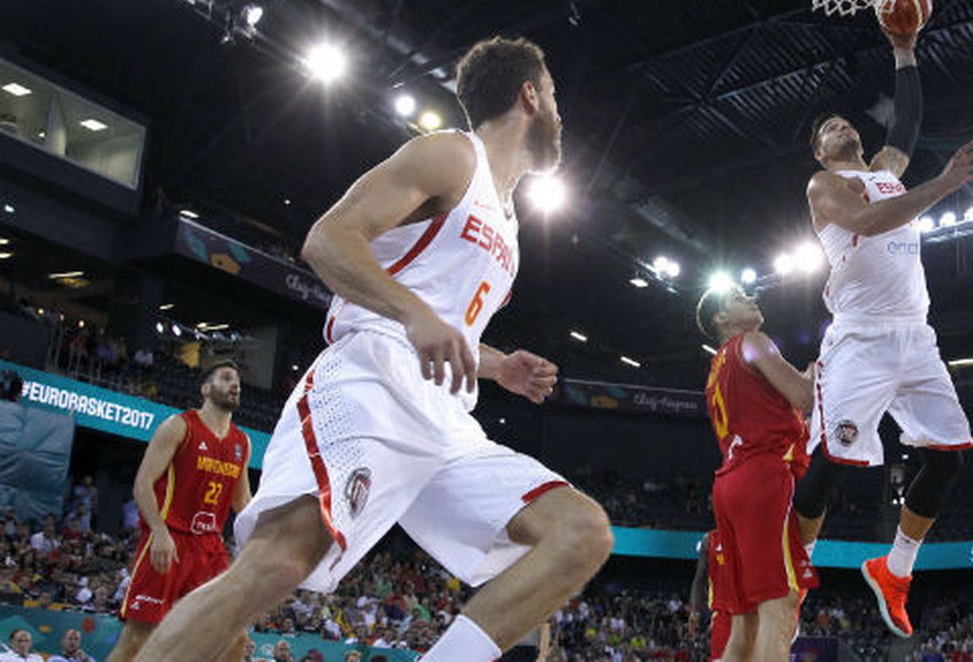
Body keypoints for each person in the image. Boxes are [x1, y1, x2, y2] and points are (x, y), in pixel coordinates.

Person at [134, 37, 612, 662]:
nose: (559, 111)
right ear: (530, 94)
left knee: (580, 534)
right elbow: (328, 240)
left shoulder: (511, 223)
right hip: (373, 380)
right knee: (278, 562)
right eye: (554, 95)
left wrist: (497, 365)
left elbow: (445, 320)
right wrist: (413, 315)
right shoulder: (450, 156)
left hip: (445, 419)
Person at [792, 27, 973, 638]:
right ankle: (792, 568)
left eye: (844, 122)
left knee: (950, 457)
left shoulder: (885, 168)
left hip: (915, 334)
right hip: (860, 338)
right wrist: (945, 185)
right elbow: (873, 222)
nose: (841, 126)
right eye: (828, 128)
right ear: (820, 152)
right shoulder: (826, 187)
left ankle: (895, 568)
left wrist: (905, 49)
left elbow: (905, 127)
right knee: (832, 460)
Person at [697, 287, 818, 661]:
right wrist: (818, 370)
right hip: (763, 477)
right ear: (721, 318)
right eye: (737, 296)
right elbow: (805, 396)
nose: (750, 297)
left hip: (730, 484)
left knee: (745, 620)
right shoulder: (751, 341)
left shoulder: (716, 367)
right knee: (779, 607)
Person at [108, 360, 252, 662]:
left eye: (237, 381)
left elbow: (243, 504)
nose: (235, 385)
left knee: (234, 639)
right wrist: (159, 532)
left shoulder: (242, 442)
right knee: (138, 639)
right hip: (169, 540)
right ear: (206, 388)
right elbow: (142, 485)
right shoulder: (179, 426)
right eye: (226, 378)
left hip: (210, 547)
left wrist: (270, 537)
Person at [688, 529, 731, 662]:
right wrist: (695, 612)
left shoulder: (752, 535)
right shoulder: (710, 540)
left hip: (751, 615)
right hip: (722, 616)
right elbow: (699, 579)